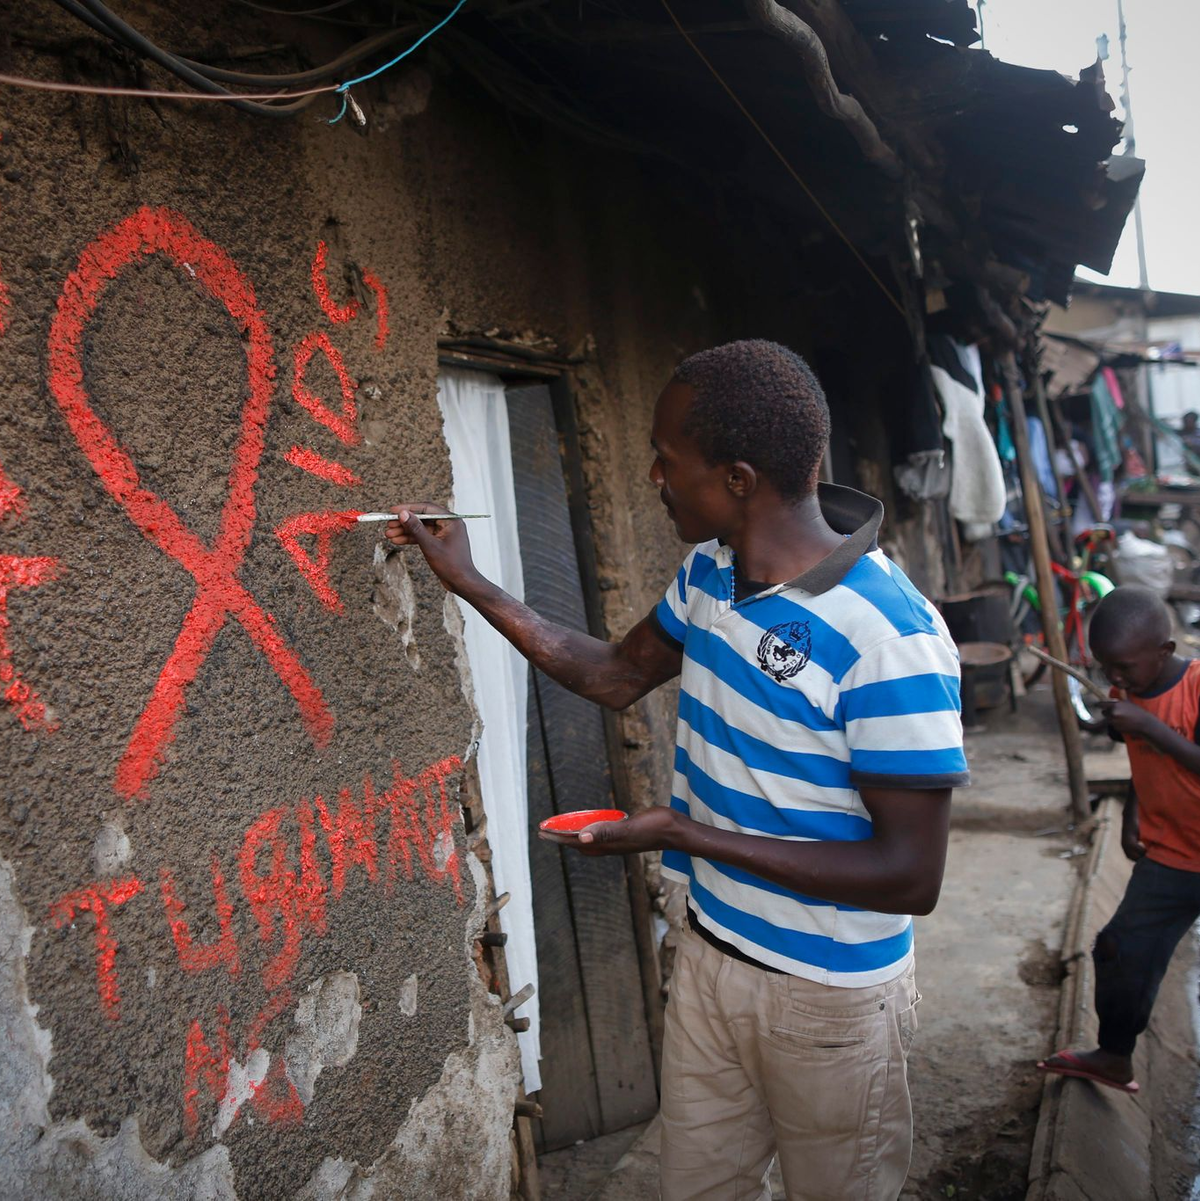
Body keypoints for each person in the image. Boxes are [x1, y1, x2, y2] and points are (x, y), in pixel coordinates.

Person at [386, 340, 968, 1200]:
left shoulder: (891, 637)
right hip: (711, 954)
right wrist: (470, 581)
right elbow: (616, 676)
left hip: (830, 1004)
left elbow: (910, 874)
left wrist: (685, 833)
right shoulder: (710, 573)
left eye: (667, 461)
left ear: (737, 478)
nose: (654, 476)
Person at [1039, 586, 1200, 1095]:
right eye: (1106, 667)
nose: (1114, 678)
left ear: (1164, 653)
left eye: (1125, 667)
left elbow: (1162, 743)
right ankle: (1114, 1055)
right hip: (1174, 854)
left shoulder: (1194, 688)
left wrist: (1150, 727)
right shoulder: (1128, 694)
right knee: (1118, 947)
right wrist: (1133, 812)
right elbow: (1144, 761)